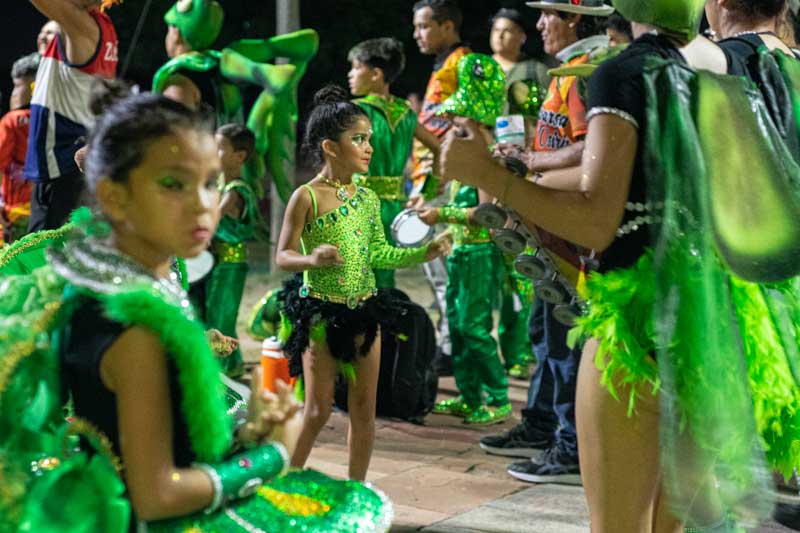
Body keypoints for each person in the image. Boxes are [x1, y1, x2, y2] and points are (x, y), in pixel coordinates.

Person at [438, 0, 800, 529]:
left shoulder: (626, 71)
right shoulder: (747, 68)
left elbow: (594, 221)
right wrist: (527, 175)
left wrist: (490, 178)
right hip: (719, 326)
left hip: (638, 327)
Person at [0, 92, 393, 532]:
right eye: (174, 184)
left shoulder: (128, 286)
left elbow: (154, 437)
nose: (203, 205)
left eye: (210, 183)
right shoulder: (135, 328)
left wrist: (247, 435)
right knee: (349, 513)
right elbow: (156, 496)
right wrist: (272, 455)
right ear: (115, 195)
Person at [276, 86, 449, 481]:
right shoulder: (306, 197)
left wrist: (423, 253)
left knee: (364, 412)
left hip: (366, 312)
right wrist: (311, 259)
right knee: (317, 411)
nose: (369, 147)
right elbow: (282, 256)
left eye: (369, 138)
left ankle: (357, 488)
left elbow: (380, 254)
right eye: (358, 139)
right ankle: (283, 482)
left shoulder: (368, 198)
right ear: (330, 147)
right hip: (322, 316)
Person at [481, 0, 612, 486]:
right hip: (551, 227)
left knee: (564, 338)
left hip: (572, 234)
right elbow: (563, 142)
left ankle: (572, 446)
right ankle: (543, 424)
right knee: (545, 330)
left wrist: (533, 164)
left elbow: (591, 147)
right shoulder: (569, 69)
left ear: (573, 19)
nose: (538, 24)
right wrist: (529, 152)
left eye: (547, 15)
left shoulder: (587, 71)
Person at [419, 54, 514, 425]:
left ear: (477, 121)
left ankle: (499, 397)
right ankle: (469, 395)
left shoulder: (485, 157)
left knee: (474, 329)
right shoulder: (467, 156)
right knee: (457, 326)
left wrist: (441, 216)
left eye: (460, 121)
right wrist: (447, 232)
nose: (453, 127)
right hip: (460, 251)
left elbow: (487, 214)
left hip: (479, 256)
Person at [347, 37, 441, 289]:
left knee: (355, 277)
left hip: (359, 204)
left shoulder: (355, 112)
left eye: (356, 68)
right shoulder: (406, 112)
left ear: (376, 74)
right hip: (394, 208)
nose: (350, 74)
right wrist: (427, 191)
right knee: (384, 276)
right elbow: (439, 149)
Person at [411, 0, 471, 373]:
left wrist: (435, 182)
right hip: (429, 181)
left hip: (443, 183)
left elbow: (460, 129)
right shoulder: (442, 65)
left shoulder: (462, 64)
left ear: (447, 26)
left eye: (423, 26)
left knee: (445, 267)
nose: (417, 34)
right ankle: (449, 342)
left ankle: (451, 347)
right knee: (437, 269)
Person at [24, 0, 118, 233]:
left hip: (62, 161)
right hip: (73, 160)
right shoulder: (104, 28)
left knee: (41, 249)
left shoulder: (83, 25)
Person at [195, 123, 259, 377]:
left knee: (221, 319)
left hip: (230, 265)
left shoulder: (235, 192)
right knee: (218, 315)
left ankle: (222, 372)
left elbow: (212, 221)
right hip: (220, 263)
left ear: (239, 156)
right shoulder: (222, 187)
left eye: (219, 148)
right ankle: (231, 367)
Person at [0, 54, 37, 242]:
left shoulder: (12, 121)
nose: (13, 94)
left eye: (17, 86)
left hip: (15, 213)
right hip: (44, 208)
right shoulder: (56, 119)